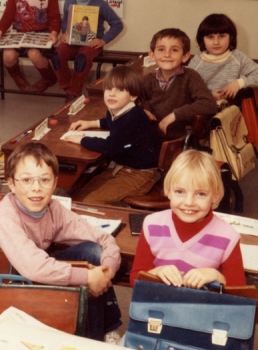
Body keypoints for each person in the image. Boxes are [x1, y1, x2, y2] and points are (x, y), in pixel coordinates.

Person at [0, 142, 122, 341]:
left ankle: (102, 333)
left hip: (28, 279)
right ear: (12, 183)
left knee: (93, 252)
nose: (36, 188)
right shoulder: (4, 217)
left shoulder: (52, 208)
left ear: (55, 182)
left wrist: (108, 270)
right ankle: (90, 342)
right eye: (26, 180)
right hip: (0, 291)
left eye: (44, 180)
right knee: (87, 275)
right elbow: (34, 267)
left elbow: (102, 238)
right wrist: (87, 277)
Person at [129, 150, 245, 287]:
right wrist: (156, 272)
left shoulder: (228, 237)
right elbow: (134, 279)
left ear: (215, 196)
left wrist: (218, 277)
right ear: (168, 191)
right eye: (180, 191)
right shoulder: (151, 224)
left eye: (200, 194)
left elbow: (241, 295)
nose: (189, 202)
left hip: (201, 307)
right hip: (159, 305)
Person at [65, 66, 162, 205]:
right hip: (120, 167)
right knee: (78, 198)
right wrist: (91, 123)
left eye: (120, 90)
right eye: (109, 89)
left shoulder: (133, 117)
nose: (112, 94)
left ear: (133, 96)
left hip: (140, 175)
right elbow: (110, 122)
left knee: (91, 201)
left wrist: (82, 139)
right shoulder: (116, 110)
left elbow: (110, 147)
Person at [51, 0, 123, 101]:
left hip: (91, 43)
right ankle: (68, 88)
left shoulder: (100, 4)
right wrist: (65, 34)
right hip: (73, 41)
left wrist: (103, 41)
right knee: (56, 55)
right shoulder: (69, 2)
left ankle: (73, 93)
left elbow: (117, 24)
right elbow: (66, 21)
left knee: (82, 60)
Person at [142, 28, 218, 140]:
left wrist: (175, 115)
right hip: (151, 138)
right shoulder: (148, 79)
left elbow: (209, 104)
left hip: (181, 141)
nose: (167, 54)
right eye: (161, 49)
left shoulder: (190, 76)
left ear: (185, 56)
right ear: (152, 55)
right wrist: (143, 109)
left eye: (175, 50)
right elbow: (135, 100)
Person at [189, 13, 258, 105]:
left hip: (234, 112)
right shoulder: (196, 63)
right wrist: (209, 97)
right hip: (204, 111)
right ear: (202, 40)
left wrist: (239, 83)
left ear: (231, 37)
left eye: (221, 36)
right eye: (210, 37)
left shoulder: (238, 57)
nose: (216, 42)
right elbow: (185, 91)